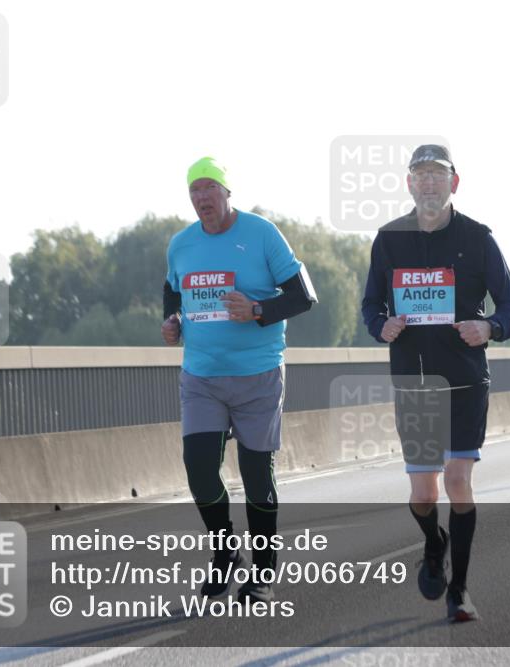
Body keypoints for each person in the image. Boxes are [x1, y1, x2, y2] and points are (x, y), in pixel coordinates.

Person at [362, 145, 510, 623]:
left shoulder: (478, 238)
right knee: (422, 495)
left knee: (457, 481)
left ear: (454, 183)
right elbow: (372, 304)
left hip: (465, 380)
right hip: (414, 380)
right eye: (421, 175)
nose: (429, 183)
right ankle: (434, 544)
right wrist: (381, 326)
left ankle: (461, 590)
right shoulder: (389, 239)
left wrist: (489, 328)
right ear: (409, 184)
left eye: (438, 175)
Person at [162, 156, 317, 603]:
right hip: (202, 376)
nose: (202, 197)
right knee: (198, 470)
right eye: (194, 190)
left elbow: (302, 296)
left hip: (258, 375)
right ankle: (226, 551)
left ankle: (264, 572)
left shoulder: (261, 234)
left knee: (256, 476)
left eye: (210, 188)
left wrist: (258, 310)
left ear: (227, 193)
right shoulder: (181, 245)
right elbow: (173, 292)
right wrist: (171, 321)